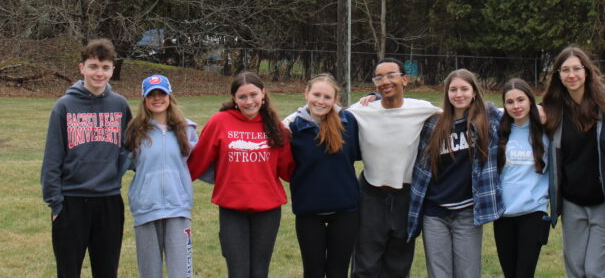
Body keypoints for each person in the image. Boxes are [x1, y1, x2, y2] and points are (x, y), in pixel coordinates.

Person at [40, 38, 133, 278]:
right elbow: (52, 158)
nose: (99, 73)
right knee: (68, 271)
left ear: (112, 70)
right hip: (71, 202)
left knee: (107, 271)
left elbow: (131, 147)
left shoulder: (120, 105)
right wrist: (56, 203)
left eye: (105, 67)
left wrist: (116, 170)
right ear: (82, 68)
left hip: (109, 200)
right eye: (93, 66)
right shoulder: (64, 106)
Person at [188, 72, 294, 278]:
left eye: (254, 95)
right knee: (238, 272)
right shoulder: (220, 122)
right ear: (234, 99)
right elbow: (197, 161)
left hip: (268, 210)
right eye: (242, 97)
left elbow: (289, 170)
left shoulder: (275, 126)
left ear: (263, 94)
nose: (249, 101)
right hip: (232, 210)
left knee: (259, 272)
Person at [542, 46, 605, 278]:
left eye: (576, 69)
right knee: (576, 269)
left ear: (587, 71)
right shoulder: (553, 109)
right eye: (565, 70)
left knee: (594, 270)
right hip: (572, 204)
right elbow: (514, 112)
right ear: (558, 75)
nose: (571, 75)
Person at [348, 58, 440, 278]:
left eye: (391, 75)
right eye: (379, 78)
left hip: (406, 198)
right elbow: (325, 111)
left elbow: (459, 111)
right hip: (370, 195)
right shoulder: (361, 110)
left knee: (398, 266)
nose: (385, 81)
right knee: (365, 265)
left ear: (405, 79)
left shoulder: (421, 109)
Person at [406, 68, 502, 278]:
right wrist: (375, 97)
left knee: (468, 273)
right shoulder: (433, 124)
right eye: (453, 89)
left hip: (467, 213)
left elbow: (520, 108)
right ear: (447, 93)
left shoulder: (488, 119)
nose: (459, 94)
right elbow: (403, 110)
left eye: (464, 89)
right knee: (439, 273)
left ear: (474, 92)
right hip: (434, 213)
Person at [284, 73, 362, 278]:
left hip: (345, 209)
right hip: (308, 211)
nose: (321, 101)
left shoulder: (348, 122)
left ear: (335, 99)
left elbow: (359, 149)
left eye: (327, 97)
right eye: (316, 95)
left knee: (338, 272)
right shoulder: (293, 127)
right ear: (306, 94)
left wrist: (375, 96)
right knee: (313, 271)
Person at [126, 74, 199, 278]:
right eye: (151, 95)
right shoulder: (134, 131)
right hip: (146, 209)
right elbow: (123, 163)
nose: (157, 98)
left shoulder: (187, 130)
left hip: (178, 207)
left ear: (169, 96)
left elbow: (200, 163)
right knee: (150, 273)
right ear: (144, 99)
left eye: (162, 94)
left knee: (181, 273)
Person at [494, 78, 551, 278]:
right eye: (510, 102)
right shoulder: (498, 131)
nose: (516, 106)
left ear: (530, 101)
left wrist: (541, 108)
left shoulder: (547, 130)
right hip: (503, 214)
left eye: (521, 100)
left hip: (533, 212)